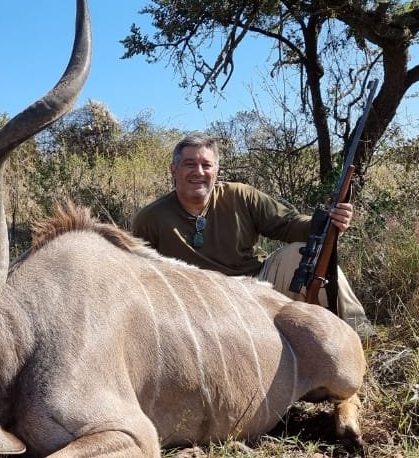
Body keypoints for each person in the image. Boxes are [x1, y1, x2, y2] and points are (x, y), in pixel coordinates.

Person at [132, 133, 371, 333]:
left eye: (206, 165)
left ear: (217, 170)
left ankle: (360, 333)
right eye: (189, 164)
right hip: (199, 306)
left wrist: (328, 221)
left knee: (300, 253)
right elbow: (142, 281)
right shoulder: (150, 219)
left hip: (255, 289)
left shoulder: (241, 195)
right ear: (173, 170)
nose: (199, 172)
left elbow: (289, 224)